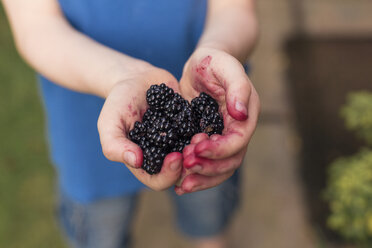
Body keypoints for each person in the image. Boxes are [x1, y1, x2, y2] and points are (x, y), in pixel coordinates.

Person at [2, 0, 260, 247]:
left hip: (207, 109)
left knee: (209, 210)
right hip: (85, 130)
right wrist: (122, 76)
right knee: (102, 232)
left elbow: (235, 7)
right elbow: (37, 27)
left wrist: (218, 49)